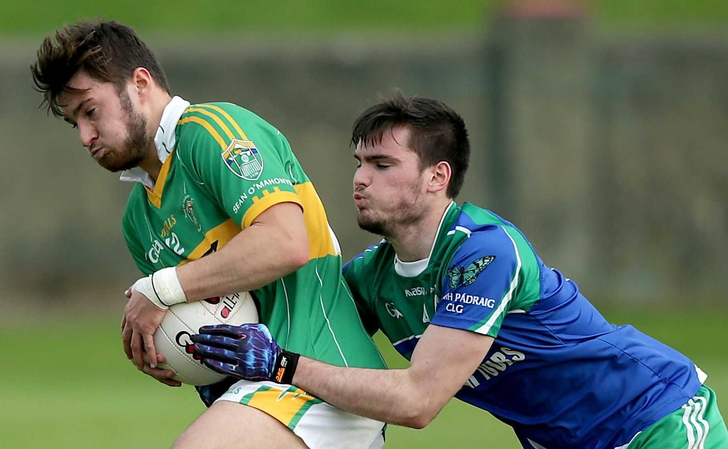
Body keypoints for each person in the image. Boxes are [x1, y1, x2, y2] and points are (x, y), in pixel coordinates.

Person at [193, 93, 728, 448]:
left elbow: (417, 402)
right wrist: (211, 361)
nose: (359, 179)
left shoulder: (486, 253)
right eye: (357, 163)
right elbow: (306, 343)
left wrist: (281, 365)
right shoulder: (370, 278)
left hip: (655, 418)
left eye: (381, 165)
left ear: (436, 177)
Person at [30, 19, 388, 449]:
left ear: (140, 83)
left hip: (324, 378)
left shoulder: (211, 132)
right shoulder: (138, 219)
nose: (86, 137)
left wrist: (160, 290)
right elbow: (216, 319)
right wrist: (170, 350)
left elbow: (284, 243)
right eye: (75, 124)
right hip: (257, 393)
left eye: (91, 112)